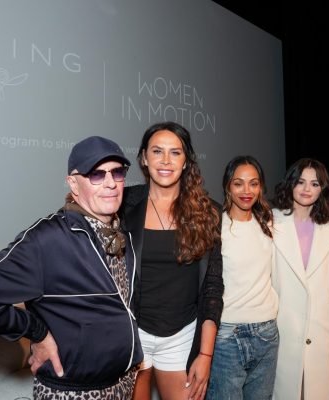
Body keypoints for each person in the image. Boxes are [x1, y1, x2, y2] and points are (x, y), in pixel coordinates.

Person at [0, 136, 143, 399]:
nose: (110, 183)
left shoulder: (121, 233)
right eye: (96, 174)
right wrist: (37, 332)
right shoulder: (47, 239)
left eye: (117, 172)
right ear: (73, 183)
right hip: (73, 393)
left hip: (123, 384)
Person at [119, 121, 223, 400]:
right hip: (133, 332)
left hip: (181, 336)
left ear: (187, 161)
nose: (166, 161)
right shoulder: (122, 204)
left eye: (175, 153)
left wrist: (205, 354)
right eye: (157, 151)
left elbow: (213, 287)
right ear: (143, 157)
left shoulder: (209, 212)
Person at [206, 155, 279, 400]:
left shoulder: (269, 223)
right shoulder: (216, 226)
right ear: (228, 186)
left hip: (267, 333)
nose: (246, 191)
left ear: (261, 187)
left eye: (254, 183)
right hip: (227, 336)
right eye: (238, 183)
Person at [271, 158, 329, 400]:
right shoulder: (269, 222)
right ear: (290, 183)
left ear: (323, 189)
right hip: (282, 329)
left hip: (322, 332)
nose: (306, 189)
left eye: (314, 183)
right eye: (300, 182)